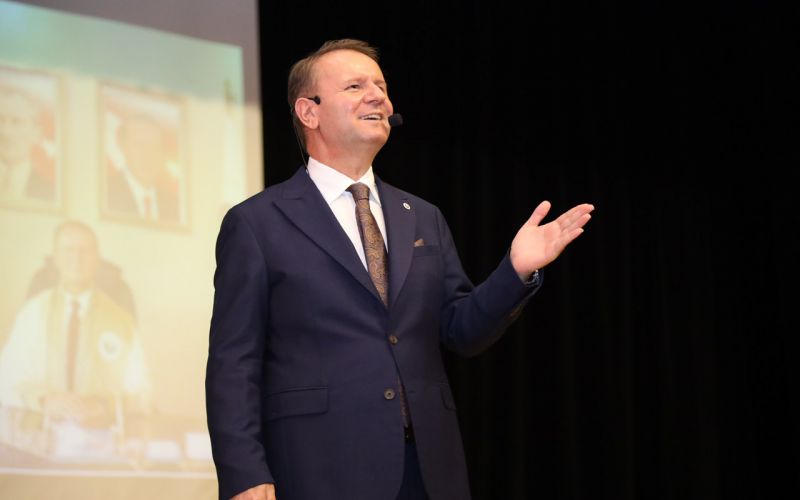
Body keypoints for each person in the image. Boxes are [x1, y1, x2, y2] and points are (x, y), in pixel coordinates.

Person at [205, 39, 594, 500]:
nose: (377, 97)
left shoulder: (422, 216)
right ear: (309, 112)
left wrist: (515, 271)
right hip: (318, 467)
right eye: (355, 86)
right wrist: (244, 473)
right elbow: (234, 363)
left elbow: (461, 330)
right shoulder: (257, 223)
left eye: (381, 87)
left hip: (428, 470)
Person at [0, 220, 151, 457]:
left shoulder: (120, 320)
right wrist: (44, 399)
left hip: (102, 444)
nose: (76, 259)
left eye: (85, 251)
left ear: (97, 259)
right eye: (68, 250)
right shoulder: (33, 312)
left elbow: (142, 391)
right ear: (56, 258)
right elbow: (6, 380)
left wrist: (102, 404)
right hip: (39, 441)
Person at [105, 113, 182, 224]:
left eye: (155, 146)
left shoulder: (175, 204)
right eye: (140, 145)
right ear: (122, 146)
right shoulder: (107, 193)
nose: (148, 154)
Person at [0, 83, 57, 204]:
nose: (5, 132)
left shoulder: (50, 190)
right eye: (1, 120)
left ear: (37, 132)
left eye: (17, 122)